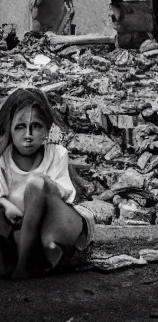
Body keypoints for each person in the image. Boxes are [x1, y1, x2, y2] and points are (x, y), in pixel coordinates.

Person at [0, 88, 94, 279]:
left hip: (58, 223)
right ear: (9, 127)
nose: (28, 135)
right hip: (19, 231)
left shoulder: (56, 153)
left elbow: (61, 196)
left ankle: (23, 265)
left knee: (36, 184)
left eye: (36, 126)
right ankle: (25, 259)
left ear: (47, 129)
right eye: (20, 127)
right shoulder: (3, 159)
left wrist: (39, 186)